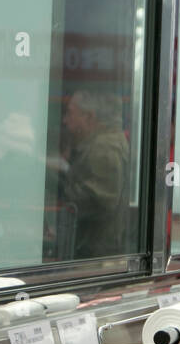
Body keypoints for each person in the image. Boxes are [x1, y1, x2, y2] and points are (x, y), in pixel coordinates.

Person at [56, 90, 131, 259]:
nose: (65, 121)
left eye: (70, 113)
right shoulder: (100, 144)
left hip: (95, 255)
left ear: (89, 117)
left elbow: (97, 200)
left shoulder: (104, 147)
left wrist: (57, 187)